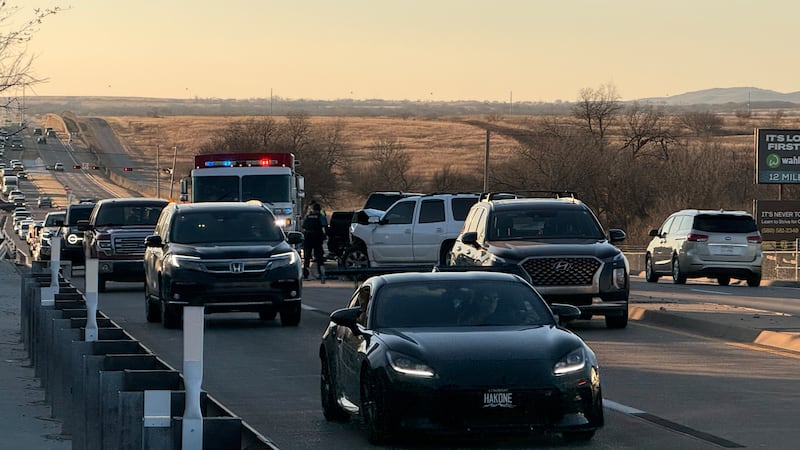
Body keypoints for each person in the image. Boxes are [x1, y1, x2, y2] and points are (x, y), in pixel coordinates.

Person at [302, 202, 327, 283]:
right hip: (317, 238)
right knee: (319, 257)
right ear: (319, 209)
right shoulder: (320, 216)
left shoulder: (308, 216)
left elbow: (304, 226)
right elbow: (325, 226)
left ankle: (305, 274)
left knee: (307, 258)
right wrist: (326, 235)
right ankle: (321, 274)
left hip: (308, 238)